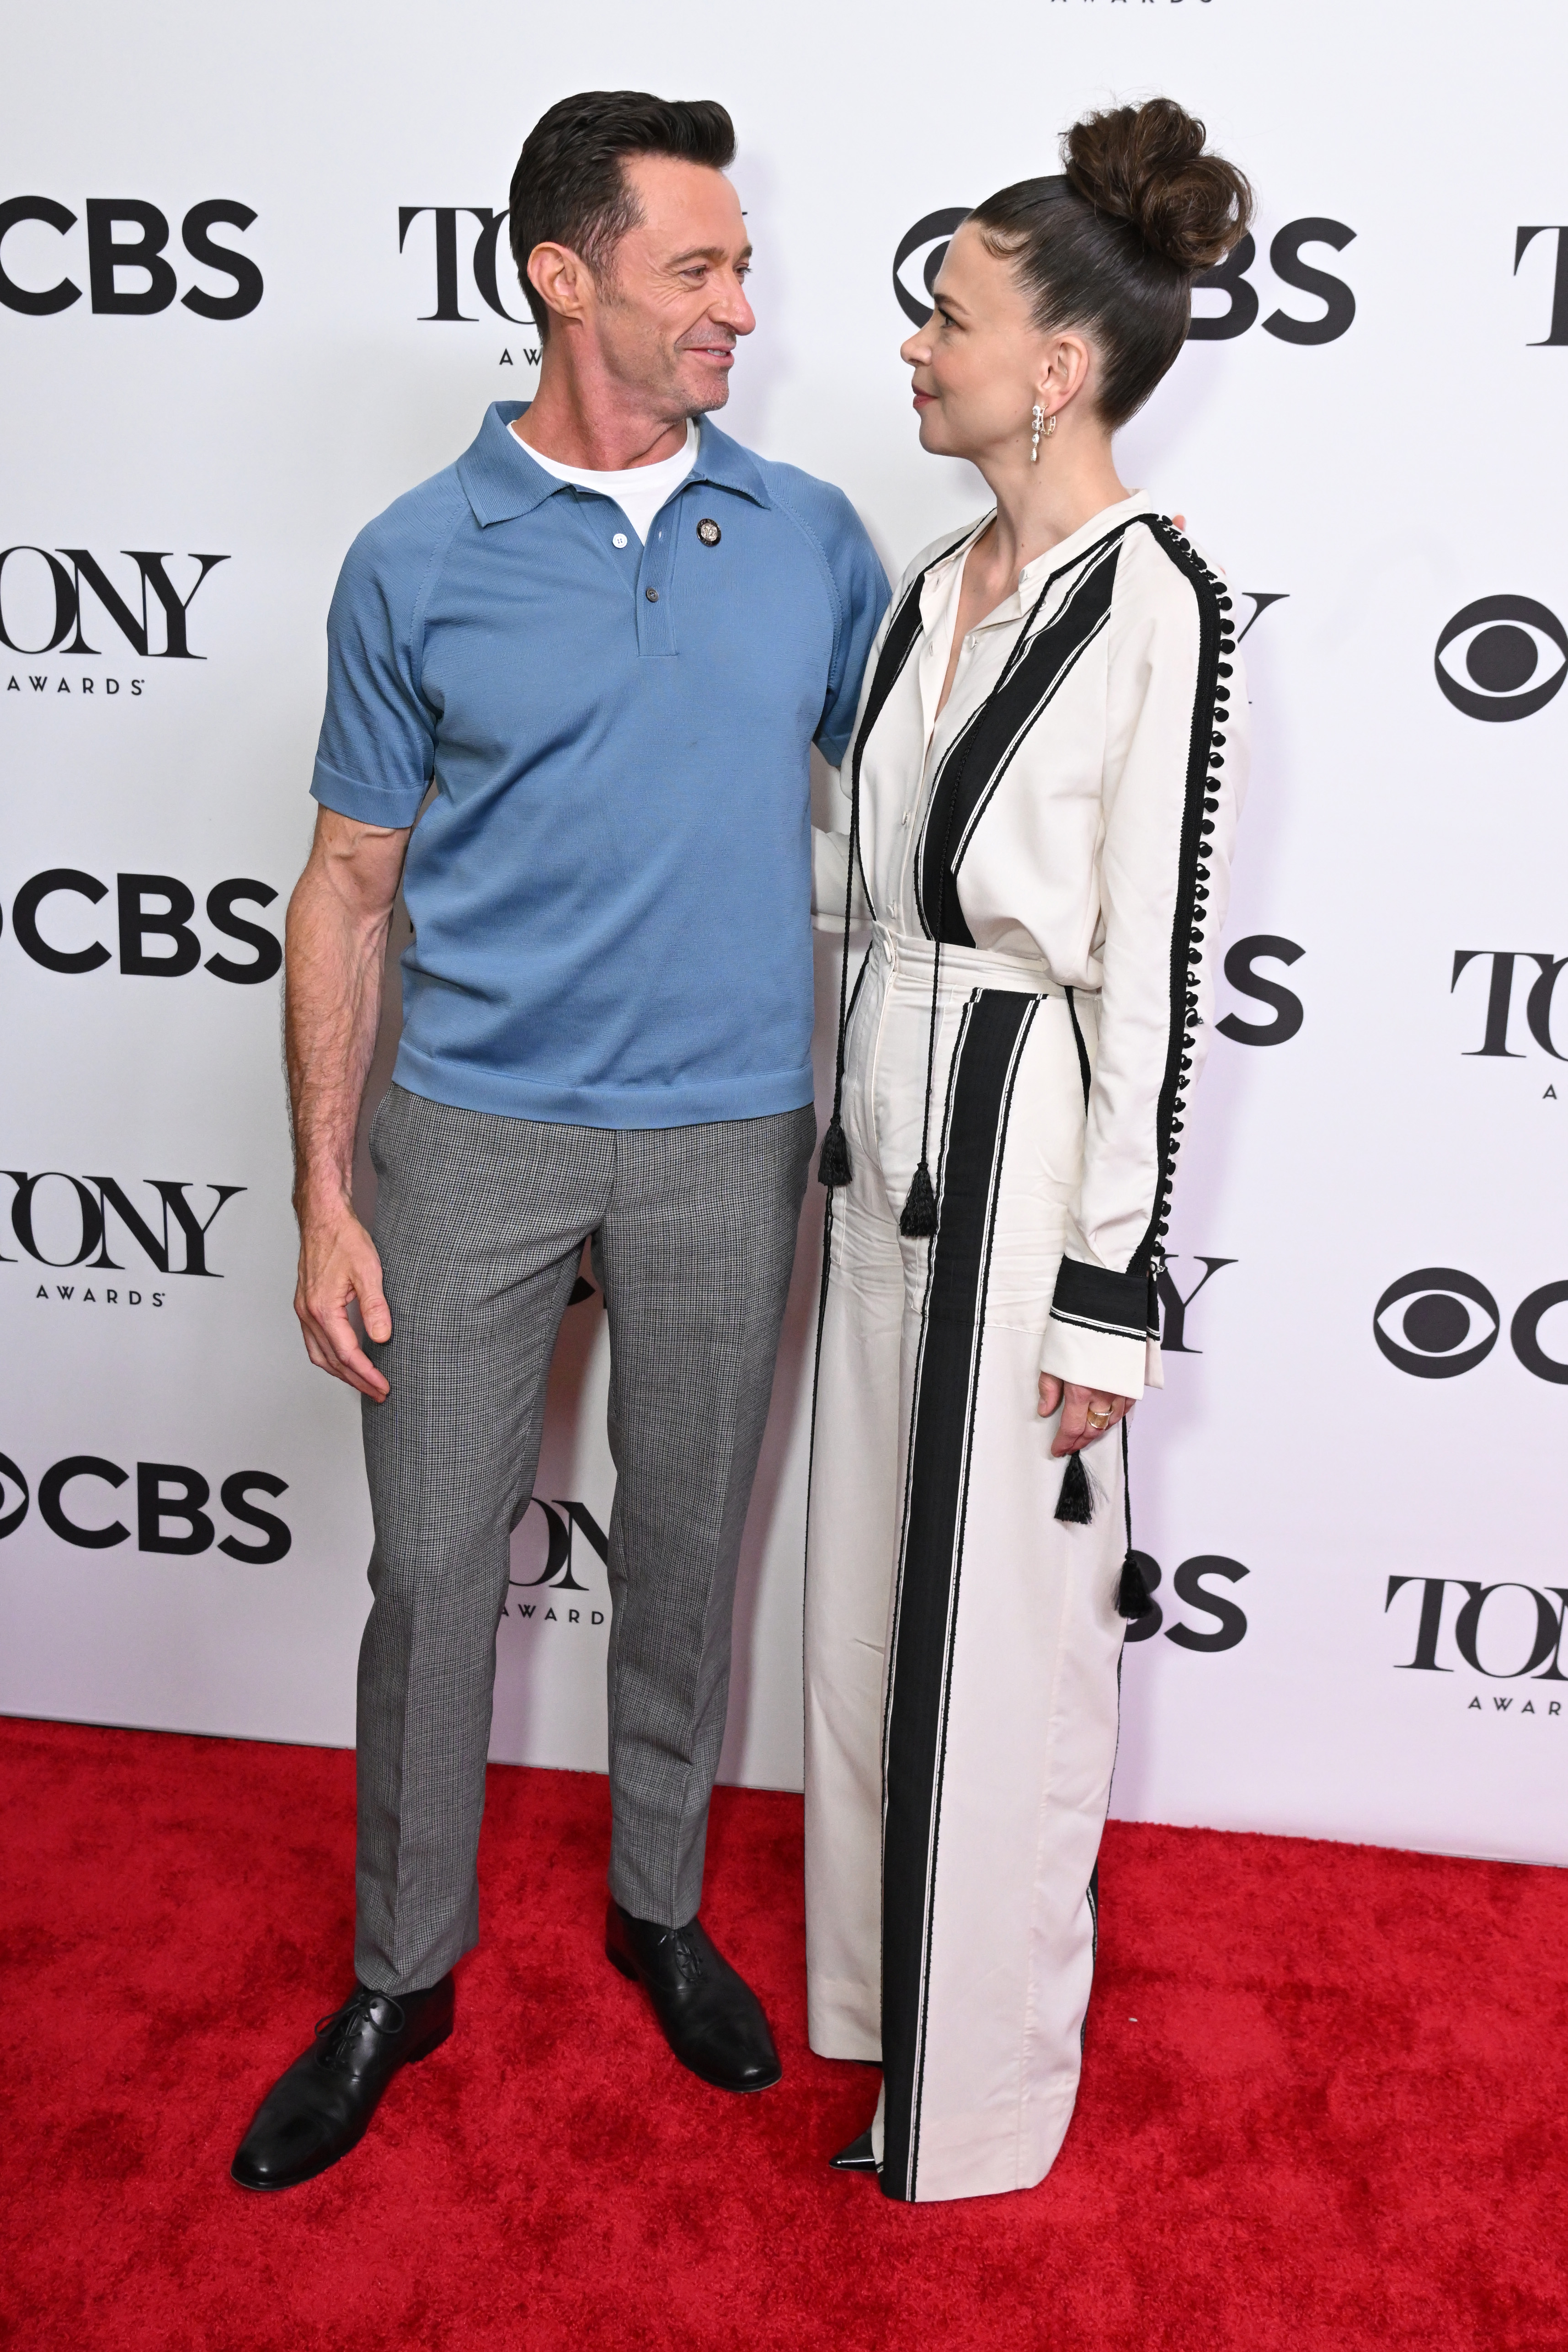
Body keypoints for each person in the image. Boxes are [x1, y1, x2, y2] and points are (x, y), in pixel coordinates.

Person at [231, 90, 888, 2193]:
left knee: (689, 1547)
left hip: (728, 1137)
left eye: (738, 266)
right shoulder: (416, 557)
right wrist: (328, 1193)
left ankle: (660, 1909)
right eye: (696, 267)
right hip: (470, 1138)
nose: (739, 304)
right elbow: (343, 884)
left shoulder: (809, 535)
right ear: (561, 273)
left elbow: (910, 840)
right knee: (433, 1572)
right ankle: (399, 1974)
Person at [802, 98, 1253, 2203]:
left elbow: (1151, 968)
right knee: (873, 1620)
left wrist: (1108, 1284)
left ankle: (973, 2110)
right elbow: (862, 881)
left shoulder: (1156, 602)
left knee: (1003, 1645)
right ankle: (891, 2014)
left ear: (1057, 364)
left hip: (1023, 1165)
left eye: (950, 313)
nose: (913, 343)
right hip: (882, 1148)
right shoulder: (928, 584)